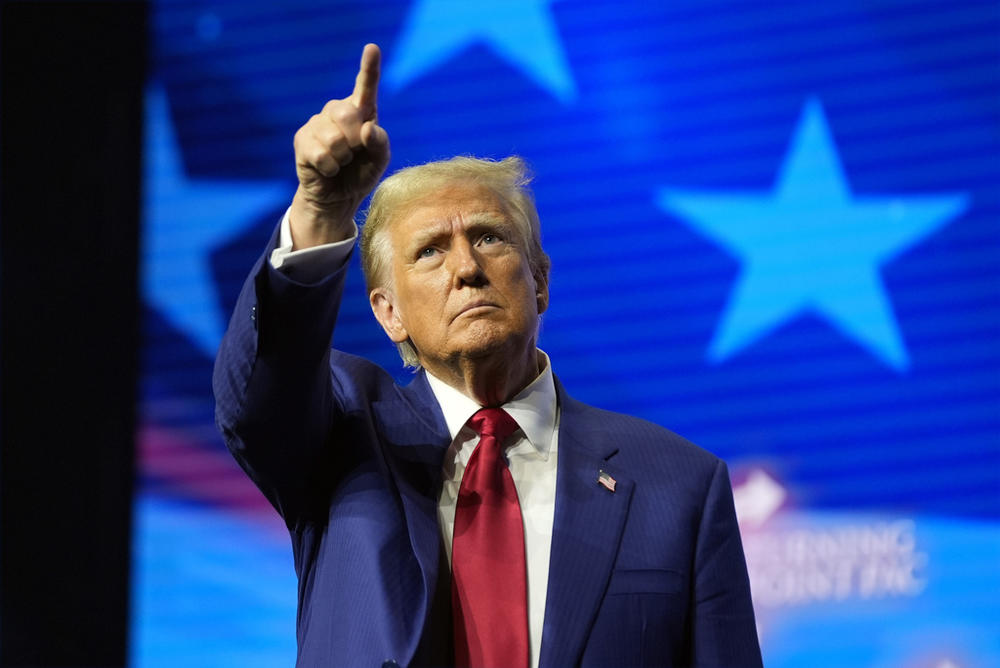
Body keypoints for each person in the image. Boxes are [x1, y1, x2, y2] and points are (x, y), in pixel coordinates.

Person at [214, 43, 762, 668]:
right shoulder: (340, 437)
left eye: (488, 238)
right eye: (430, 252)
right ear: (388, 312)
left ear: (541, 280)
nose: (467, 268)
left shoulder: (679, 486)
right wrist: (320, 208)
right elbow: (256, 396)